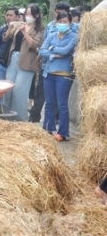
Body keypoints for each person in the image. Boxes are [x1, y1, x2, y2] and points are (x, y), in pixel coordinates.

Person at [29, 2, 78, 123]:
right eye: (56, 13)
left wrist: (51, 48)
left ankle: (56, 120)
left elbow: (68, 50)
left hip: (65, 68)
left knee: (60, 98)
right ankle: (35, 116)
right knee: (41, 93)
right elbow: (44, 46)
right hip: (47, 65)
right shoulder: (51, 25)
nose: (58, 15)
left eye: (61, 13)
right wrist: (43, 56)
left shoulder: (75, 29)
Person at [38, 11, 77, 142]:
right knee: (49, 103)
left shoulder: (74, 37)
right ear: (56, 23)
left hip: (64, 75)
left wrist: (51, 49)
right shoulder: (52, 35)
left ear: (70, 23)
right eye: (60, 22)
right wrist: (53, 54)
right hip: (49, 73)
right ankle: (47, 128)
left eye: (65, 22)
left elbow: (67, 51)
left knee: (62, 104)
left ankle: (63, 132)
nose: (62, 24)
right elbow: (42, 50)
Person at [4, 3, 44, 121]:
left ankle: (20, 119)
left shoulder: (39, 29)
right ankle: (7, 116)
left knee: (19, 91)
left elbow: (34, 44)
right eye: (26, 13)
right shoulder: (21, 24)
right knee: (9, 88)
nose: (28, 16)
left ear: (37, 15)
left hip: (27, 61)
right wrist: (11, 28)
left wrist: (25, 32)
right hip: (14, 59)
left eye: (30, 14)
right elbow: (6, 38)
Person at [0, 7, 18, 80]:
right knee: (0, 86)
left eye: (11, 15)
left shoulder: (21, 30)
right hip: (1, 63)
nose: (8, 17)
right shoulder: (1, 29)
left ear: (17, 16)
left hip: (14, 64)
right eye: (7, 15)